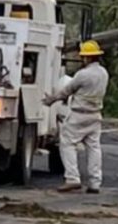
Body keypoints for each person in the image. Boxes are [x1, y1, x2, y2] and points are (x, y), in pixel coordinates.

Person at [43, 40, 108, 193]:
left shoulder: (82, 75)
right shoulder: (103, 73)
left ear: (87, 58)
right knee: (94, 148)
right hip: (95, 115)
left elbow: (67, 91)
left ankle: (72, 178)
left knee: (67, 144)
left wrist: (51, 99)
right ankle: (95, 183)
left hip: (79, 115)